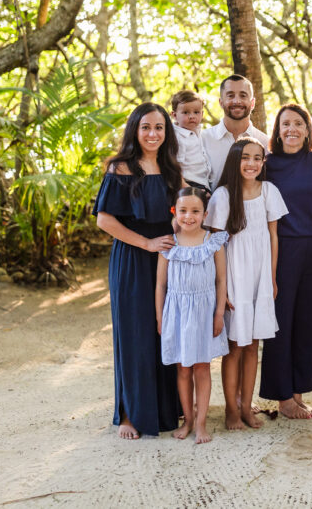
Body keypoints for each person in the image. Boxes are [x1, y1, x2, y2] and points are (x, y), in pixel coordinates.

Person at [94, 103, 183, 439]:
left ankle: (165, 410)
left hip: (168, 261)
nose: (152, 134)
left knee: (165, 331)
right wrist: (145, 244)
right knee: (135, 334)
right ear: (135, 130)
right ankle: (130, 414)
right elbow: (105, 220)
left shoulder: (172, 168)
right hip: (133, 260)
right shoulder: (120, 168)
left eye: (159, 128)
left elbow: (184, 211)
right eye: (146, 127)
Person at [206, 137, 288, 431]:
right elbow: (216, 245)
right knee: (234, 347)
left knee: (253, 345)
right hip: (234, 277)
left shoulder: (269, 192)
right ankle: (230, 410)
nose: (252, 163)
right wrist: (222, 286)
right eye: (246, 157)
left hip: (259, 277)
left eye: (258, 158)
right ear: (235, 160)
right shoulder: (224, 197)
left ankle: (246, 406)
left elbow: (273, 237)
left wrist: (272, 277)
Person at [259, 104, 312, 420]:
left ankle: (298, 393)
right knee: (281, 322)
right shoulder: (267, 164)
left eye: (298, 123)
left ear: (307, 129)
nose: (292, 129)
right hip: (281, 250)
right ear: (277, 130)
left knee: (308, 323)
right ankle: (282, 398)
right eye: (285, 123)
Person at [155, 187, 229, 444]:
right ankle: (187, 419)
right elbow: (160, 286)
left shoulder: (213, 242)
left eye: (195, 211)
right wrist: (160, 318)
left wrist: (219, 313)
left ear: (205, 214)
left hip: (204, 312)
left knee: (202, 367)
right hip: (176, 313)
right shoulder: (168, 244)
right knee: (183, 368)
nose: (189, 216)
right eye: (183, 211)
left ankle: (201, 423)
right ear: (174, 212)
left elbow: (221, 280)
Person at [202, 75, 270, 188]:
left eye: (243, 96)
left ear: (252, 103)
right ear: (221, 102)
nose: (237, 101)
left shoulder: (266, 143)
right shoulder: (203, 139)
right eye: (230, 96)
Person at [169, 90, 213, 192]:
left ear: (202, 114)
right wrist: (188, 188)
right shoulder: (178, 137)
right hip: (189, 184)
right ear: (174, 115)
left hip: (204, 183)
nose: (192, 116)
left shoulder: (199, 132)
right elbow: (175, 166)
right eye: (185, 112)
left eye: (196, 112)